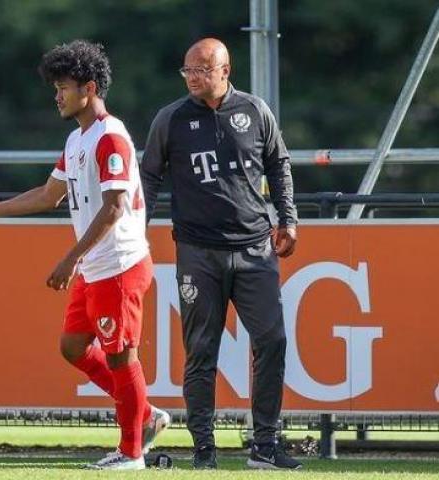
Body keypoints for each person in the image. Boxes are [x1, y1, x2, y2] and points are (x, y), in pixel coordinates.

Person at [0, 40, 170, 470]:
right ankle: (144, 414)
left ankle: (131, 454)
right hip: (95, 266)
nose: (57, 95)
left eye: (62, 87)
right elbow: (50, 194)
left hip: (119, 265)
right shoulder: (76, 139)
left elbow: (114, 208)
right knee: (72, 347)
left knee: (122, 356)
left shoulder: (111, 137)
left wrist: (69, 259)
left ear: (88, 88)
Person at [140, 38, 301, 470]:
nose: (193, 78)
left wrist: (288, 218)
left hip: (254, 249)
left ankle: (264, 446)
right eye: (187, 70)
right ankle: (204, 452)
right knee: (201, 352)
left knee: (272, 340)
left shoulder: (255, 111)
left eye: (202, 70)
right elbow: (149, 177)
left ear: (225, 71)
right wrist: (139, 229)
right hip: (198, 252)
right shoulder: (169, 119)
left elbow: (278, 163)